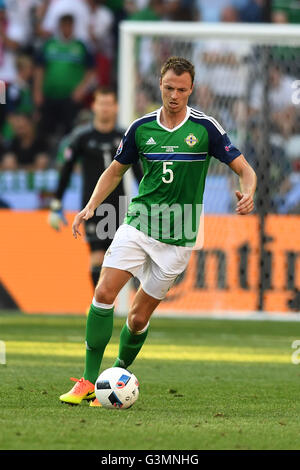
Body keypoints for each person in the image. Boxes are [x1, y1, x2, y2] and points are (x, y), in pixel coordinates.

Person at [59, 56, 256, 407]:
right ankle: (88, 381)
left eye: (181, 89)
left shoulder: (206, 128)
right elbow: (115, 171)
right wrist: (90, 206)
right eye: (169, 88)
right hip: (139, 222)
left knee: (137, 318)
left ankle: (117, 375)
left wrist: (250, 191)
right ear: (160, 86)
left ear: (191, 89)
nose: (175, 95)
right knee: (104, 292)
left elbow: (244, 169)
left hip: (179, 235)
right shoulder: (140, 127)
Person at [49, 87, 142, 288]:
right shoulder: (81, 137)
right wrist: (57, 203)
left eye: (109, 104)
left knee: (121, 259)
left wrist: (147, 199)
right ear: (94, 106)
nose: (105, 108)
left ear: (116, 107)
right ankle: (98, 306)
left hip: (120, 206)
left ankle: (113, 303)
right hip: (93, 207)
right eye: (101, 104)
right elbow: (65, 171)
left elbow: (138, 172)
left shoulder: (124, 136)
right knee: (97, 258)